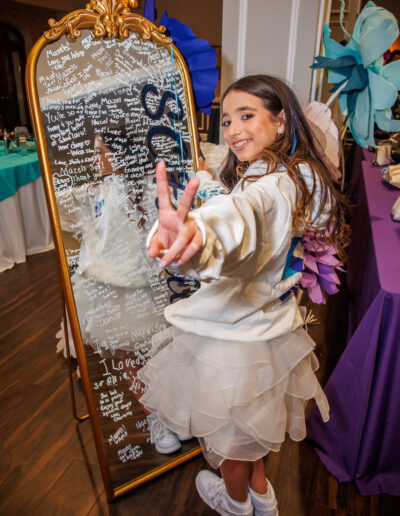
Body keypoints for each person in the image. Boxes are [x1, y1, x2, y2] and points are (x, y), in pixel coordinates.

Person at [139, 75, 349, 516]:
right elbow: (243, 207)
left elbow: (246, 215)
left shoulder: (272, 188)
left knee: (232, 444)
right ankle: (262, 498)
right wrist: (209, 196)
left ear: (281, 120)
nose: (233, 130)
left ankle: (235, 503)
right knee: (251, 435)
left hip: (231, 342)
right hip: (267, 330)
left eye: (247, 116)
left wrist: (200, 234)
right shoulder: (296, 175)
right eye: (228, 119)